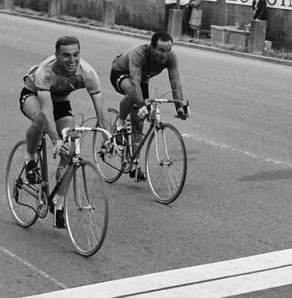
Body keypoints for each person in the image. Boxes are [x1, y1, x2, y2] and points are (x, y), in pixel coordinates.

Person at [20, 36, 106, 228]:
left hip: (60, 100)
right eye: (66, 55)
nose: (72, 60)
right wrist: (55, 140)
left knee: (73, 146)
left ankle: (58, 204)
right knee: (42, 120)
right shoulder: (46, 71)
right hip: (34, 95)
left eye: (76, 55)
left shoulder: (88, 73)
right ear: (57, 55)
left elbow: (101, 110)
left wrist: (107, 137)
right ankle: (30, 157)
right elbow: (46, 111)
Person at [110, 32, 187, 180]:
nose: (165, 55)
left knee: (138, 123)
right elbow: (135, 81)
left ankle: (134, 164)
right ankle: (119, 122)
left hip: (142, 79)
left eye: (168, 50)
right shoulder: (139, 53)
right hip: (122, 72)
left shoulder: (170, 58)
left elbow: (175, 82)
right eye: (161, 50)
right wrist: (141, 104)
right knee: (133, 94)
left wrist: (180, 106)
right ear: (152, 47)